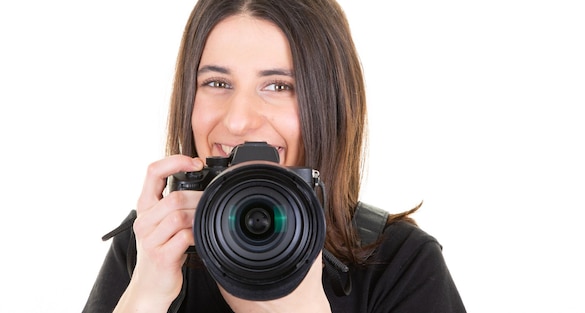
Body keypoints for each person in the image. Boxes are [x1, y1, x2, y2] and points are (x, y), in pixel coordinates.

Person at [83, 0, 466, 312]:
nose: (238, 120)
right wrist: (145, 297)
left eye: (279, 85)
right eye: (217, 83)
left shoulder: (400, 264)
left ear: (328, 104)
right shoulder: (151, 246)